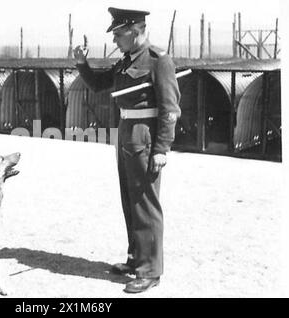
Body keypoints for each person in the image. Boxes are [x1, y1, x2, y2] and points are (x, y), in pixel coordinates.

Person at [74, 7, 181, 293]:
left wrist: (162, 148)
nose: (115, 40)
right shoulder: (125, 62)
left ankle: (150, 270)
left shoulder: (159, 61)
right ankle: (136, 260)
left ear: (136, 30)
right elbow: (98, 85)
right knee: (129, 199)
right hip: (125, 135)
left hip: (145, 136)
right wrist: (82, 63)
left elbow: (170, 109)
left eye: (119, 34)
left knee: (146, 203)